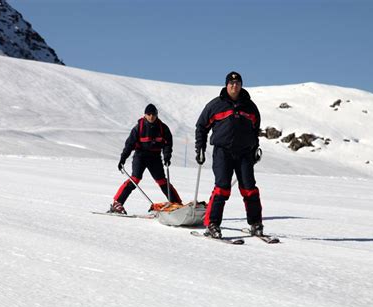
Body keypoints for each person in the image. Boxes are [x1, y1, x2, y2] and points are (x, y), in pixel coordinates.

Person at [195, 71, 263, 238]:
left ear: (241, 85)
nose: (234, 86)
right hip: (222, 152)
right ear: (226, 85)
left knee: (249, 189)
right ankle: (212, 224)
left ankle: (256, 224)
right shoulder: (215, 105)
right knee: (222, 188)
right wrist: (200, 149)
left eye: (238, 83)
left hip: (245, 154)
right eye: (231, 83)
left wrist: (255, 149)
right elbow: (201, 127)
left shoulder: (250, 107)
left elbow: (255, 131)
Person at [110, 103, 182, 214]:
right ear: (145, 115)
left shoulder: (163, 128)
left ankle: (177, 203)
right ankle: (117, 203)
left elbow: (168, 143)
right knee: (135, 179)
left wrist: (167, 156)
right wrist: (123, 158)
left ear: (157, 115)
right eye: (148, 114)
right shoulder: (138, 128)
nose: (151, 116)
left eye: (153, 114)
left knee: (162, 181)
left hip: (155, 157)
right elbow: (129, 144)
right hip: (140, 156)